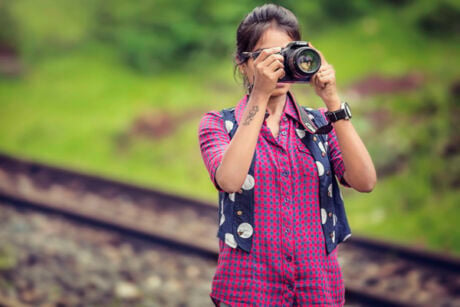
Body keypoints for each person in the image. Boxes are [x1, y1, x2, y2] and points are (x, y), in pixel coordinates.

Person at [198, 4, 377, 306]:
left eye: (287, 54)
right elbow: (229, 180)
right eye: (268, 57)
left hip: (317, 288)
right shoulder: (218, 124)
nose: (280, 66)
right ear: (244, 64)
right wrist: (260, 94)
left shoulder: (320, 123)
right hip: (247, 288)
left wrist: (332, 99)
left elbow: (365, 181)